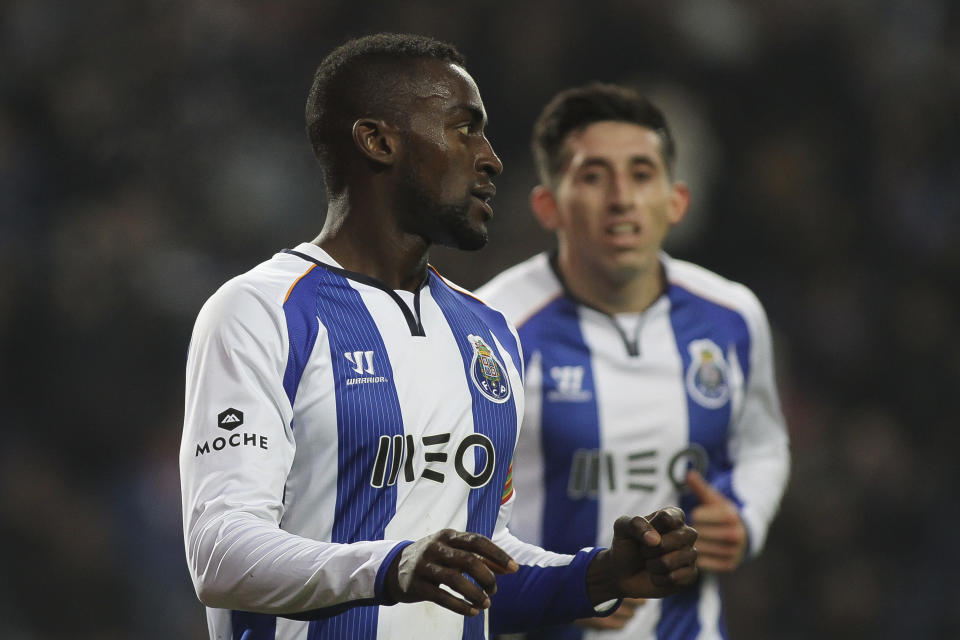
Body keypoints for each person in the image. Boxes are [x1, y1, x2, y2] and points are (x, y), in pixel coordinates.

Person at [179, 34, 698, 640]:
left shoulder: (488, 332)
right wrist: (391, 566)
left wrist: (602, 575)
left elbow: (480, 568)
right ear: (378, 142)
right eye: (463, 128)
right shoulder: (261, 311)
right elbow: (221, 554)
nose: (491, 157)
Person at [477, 83, 790, 639]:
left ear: (676, 200)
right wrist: (560, 587)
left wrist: (747, 519)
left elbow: (763, 443)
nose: (621, 197)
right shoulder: (494, 327)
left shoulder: (732, 317)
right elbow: (456, 507)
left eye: (642, 173)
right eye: (594, 176)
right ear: (548, 205)